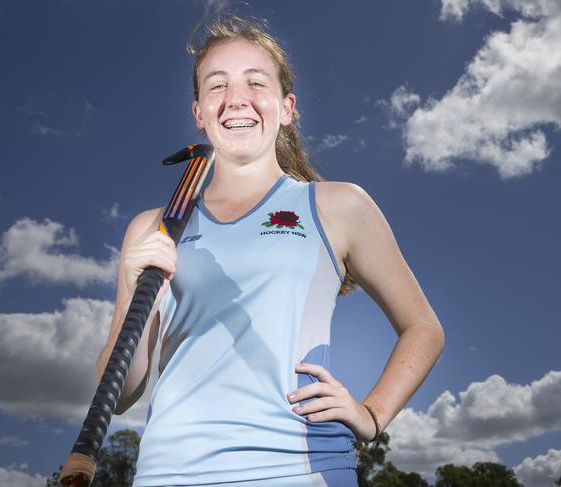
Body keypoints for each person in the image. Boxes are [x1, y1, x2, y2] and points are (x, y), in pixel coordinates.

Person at [96, 14, 445, 487]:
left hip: (297, 470)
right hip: (169, 473)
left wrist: (372, 414)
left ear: (286, 107)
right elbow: (116, 395)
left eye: (255, 83)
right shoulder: (152, 227)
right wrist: (139, 294)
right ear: (199, 112)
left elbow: (423, 328)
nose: (236, 98)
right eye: (216, 86)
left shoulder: (338, 205)